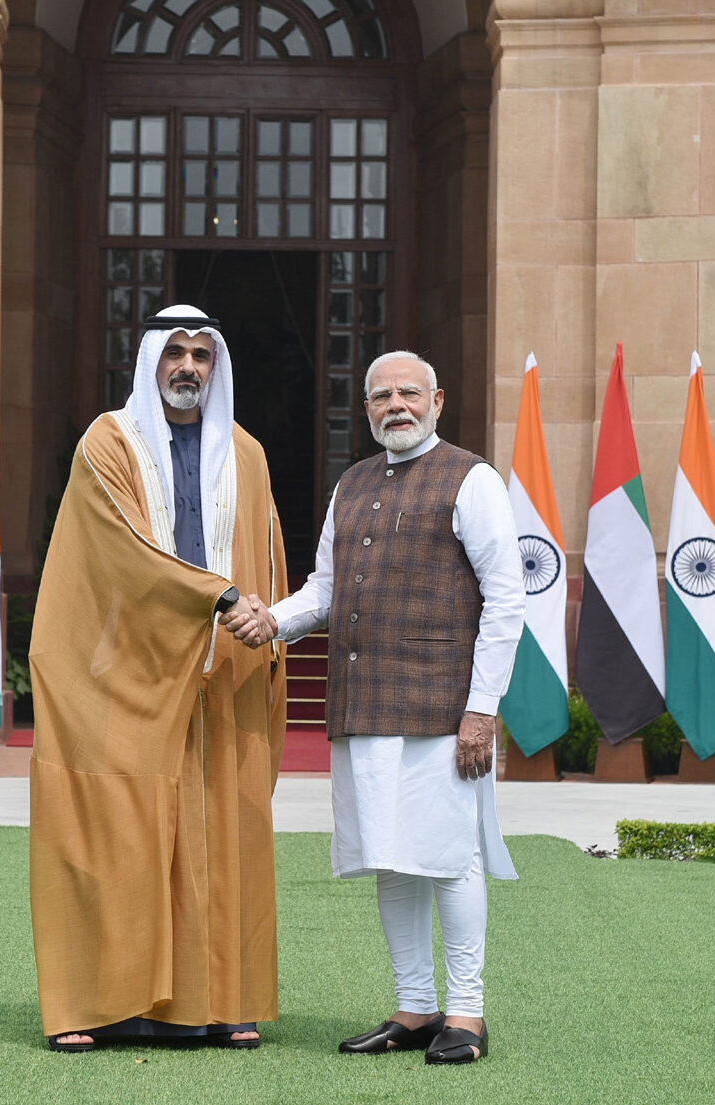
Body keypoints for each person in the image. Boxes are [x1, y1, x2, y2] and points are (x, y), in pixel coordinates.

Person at [225, 351, 524, 1065]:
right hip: (363, 707)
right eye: (380, 396)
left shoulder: (471, 478)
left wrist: (481, 709)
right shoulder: (352, 482)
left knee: (451, 859)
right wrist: (274, 620)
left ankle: (468, 1013)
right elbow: (324, 593)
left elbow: (507, 597)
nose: (396, 404)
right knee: (392, 857)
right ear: (365, 410)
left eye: (408, 393)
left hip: (442, 710)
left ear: (437, 399)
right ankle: (415, 1007)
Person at [28, 305, 287, 1052]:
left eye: (202, 355)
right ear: (148, 361)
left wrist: (262, 620)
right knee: (117, 832)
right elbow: (121, 550)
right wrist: (217, 597)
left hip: (223, 668)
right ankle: (99, 1002)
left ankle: (221, 1000)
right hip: (128, 672)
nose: (187, 367)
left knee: (223, 831)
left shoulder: (246, 452)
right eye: (174, 352)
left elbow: (264, 555)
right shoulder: (106, 443)